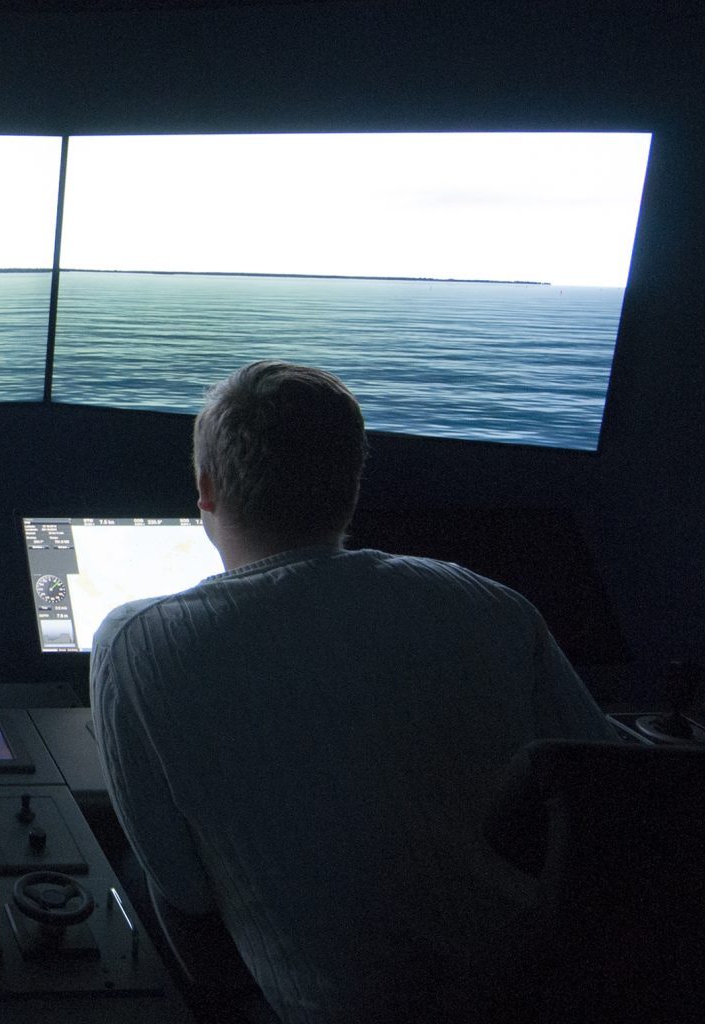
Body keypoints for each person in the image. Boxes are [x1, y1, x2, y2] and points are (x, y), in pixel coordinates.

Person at [89, 361, 620, 1024]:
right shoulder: (488, 602)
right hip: (546, 995)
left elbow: (188, 903)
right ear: (352, 485)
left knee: (120, 873)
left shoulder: (135, 641)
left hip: (329, 1007)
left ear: (206, 490)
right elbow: (612, 791)